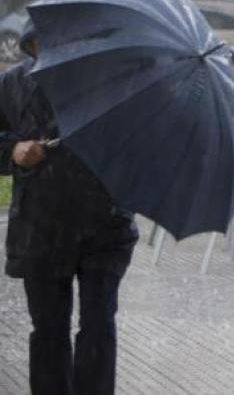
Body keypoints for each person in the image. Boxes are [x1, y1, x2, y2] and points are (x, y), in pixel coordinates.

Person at [0, 22, 138, 395]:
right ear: (31, 43)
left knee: (97, 327)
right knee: (48, 332)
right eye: (42, 43)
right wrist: (13, 150)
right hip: (39, 228)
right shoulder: (13, 84)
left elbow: (139, 149)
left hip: (105, 227)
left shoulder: (113, 83)